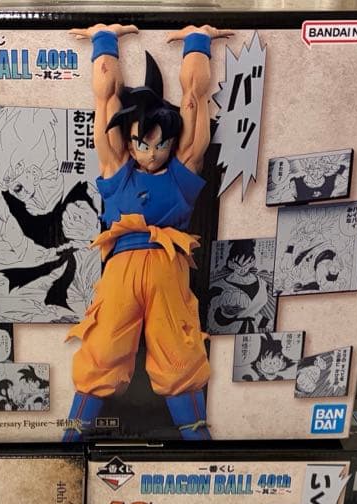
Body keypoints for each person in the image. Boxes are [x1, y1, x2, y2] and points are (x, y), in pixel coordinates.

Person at [63, 23, 232, 441]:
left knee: (179, 353)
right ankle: (71, 438)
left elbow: (194, 100)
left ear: (170, 143)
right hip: (121, 269)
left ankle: (198, 443)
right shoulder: (118, 171)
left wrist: (198, 42)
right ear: (130, 142)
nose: (151, 153)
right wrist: (104, 40)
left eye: (160, 145)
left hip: (167, 266)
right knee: (102, 349)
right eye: (142, 144)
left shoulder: (180, 173)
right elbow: (104, 100)